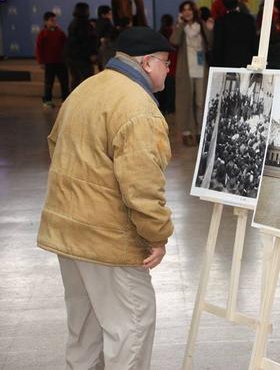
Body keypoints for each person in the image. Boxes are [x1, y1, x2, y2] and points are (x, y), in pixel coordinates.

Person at [37, 26, 174, 369]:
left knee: (84, 333)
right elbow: (142, 186)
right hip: (107, 239)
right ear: (146, 63)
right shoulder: (138, 107)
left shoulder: (86, 88)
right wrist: (157, 235)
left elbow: (56, 145)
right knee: (133, 325)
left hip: (67, 232)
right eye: (166, 63)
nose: (168, 70)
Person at [170, 1, 212, 145]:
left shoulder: (201, 26)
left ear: (194, 11)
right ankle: (187, 133)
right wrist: (181, 24)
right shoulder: (181, 27)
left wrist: (209, 28)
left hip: (201, 70)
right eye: (184, 10)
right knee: (185, 102)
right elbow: (173, 41)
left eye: (189, 9)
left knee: (201, 103)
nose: (187, 12)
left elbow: (210, 42)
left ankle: (201, 132)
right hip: (185, 71)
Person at [35, 11, 69, 108]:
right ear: (46, 22)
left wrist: (66, 58)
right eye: (51, 20)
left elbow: (66, 45)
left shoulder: (60, 33)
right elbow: (38, 48)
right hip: (49, 63)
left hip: (61, 62)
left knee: (64, 82)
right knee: (49, 82)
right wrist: (41, 61)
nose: (54, 22)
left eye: (55, 20)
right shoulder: (42, 34)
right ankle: (47, 100)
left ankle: (65, 99)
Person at [213, 0, 257, 68]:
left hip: (226, 64)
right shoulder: (248, 20)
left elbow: (217, 46)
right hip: (246, 62)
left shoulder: (220, 22)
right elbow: (254, 43)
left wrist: (217, 66)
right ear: (237, 2)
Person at [66, 2, 97, 90]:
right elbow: (87, 41)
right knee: (87, 82)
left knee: (75, 80)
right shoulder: (85, 24)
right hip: (83, 58)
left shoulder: (72, 23)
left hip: (72, 56)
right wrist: (92, 54)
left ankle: (73, 101)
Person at [156, 14, 178, 115]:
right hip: (172, 63)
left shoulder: (158, 33)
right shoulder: (173, 32)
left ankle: (161, 107)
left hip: (161, 63)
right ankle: (170, 108)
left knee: (161, 89)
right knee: (170, 89)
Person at [96, 5, 117, 70]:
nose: (111, 16)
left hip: (99, 49)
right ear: (103, 14)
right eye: (109, 14)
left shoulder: (97, 23)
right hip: (107, 49)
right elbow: (113, 35)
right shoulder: (107, 23)